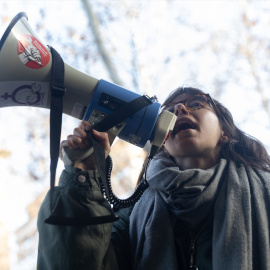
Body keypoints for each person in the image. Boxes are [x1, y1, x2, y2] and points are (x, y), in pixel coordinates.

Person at [37, 86, 270, 270]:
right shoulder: (131, 217)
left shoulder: (265, 191)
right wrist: (83, 180)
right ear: (163, 144)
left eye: (197, 103)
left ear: (225, 133)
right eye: (168, 113)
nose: (180, 109)